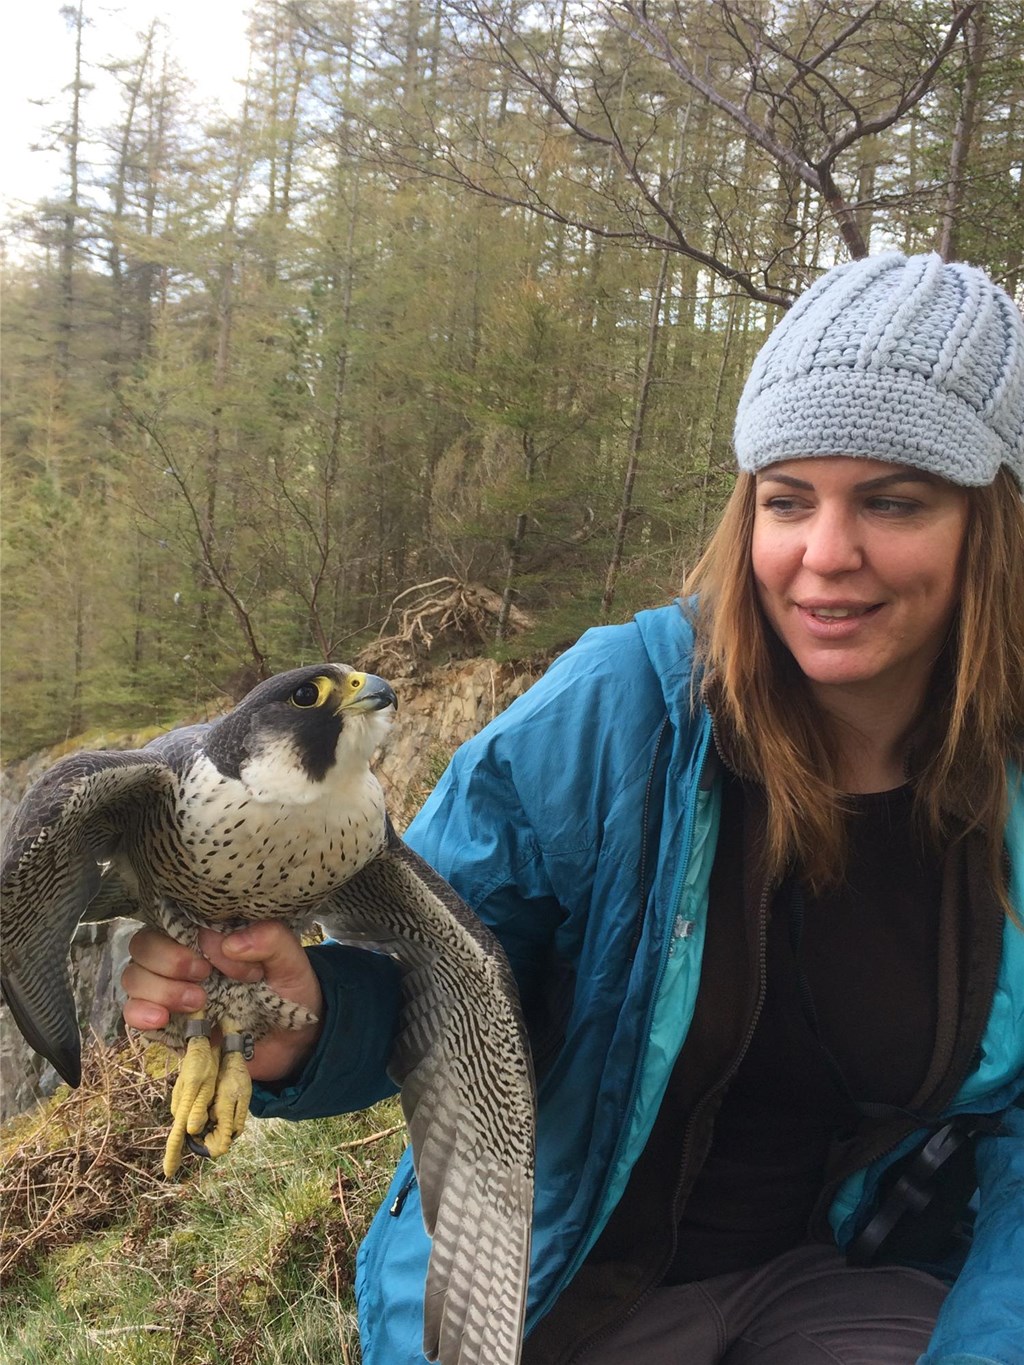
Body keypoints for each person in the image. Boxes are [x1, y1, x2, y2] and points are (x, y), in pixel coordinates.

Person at [122, 251, 1024, 1365]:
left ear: (990, 524)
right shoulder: (618, 711)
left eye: (893, 501)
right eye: (786, 500)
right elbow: (434, 975)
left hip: (844, 1287)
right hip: (561, 1286)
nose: (823, 556)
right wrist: (301, 1014)